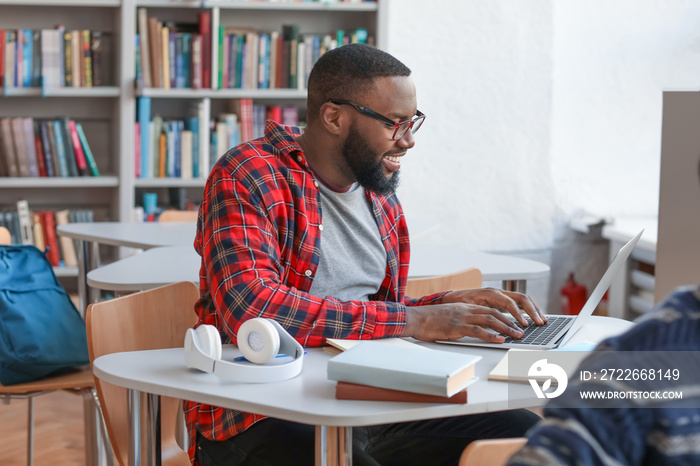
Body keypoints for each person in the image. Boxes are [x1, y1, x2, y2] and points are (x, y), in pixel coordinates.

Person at [185, 43, 547, 466]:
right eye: (395, 123)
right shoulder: (248, 174)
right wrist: (416, 319)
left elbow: (375, 315)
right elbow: (253, 309)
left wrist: (447, 307)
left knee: (530, 433)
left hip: (365, 400)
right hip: (261, 412)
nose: (409, 141)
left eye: (413, 123)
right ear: (335, 117)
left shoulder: (380, 197)